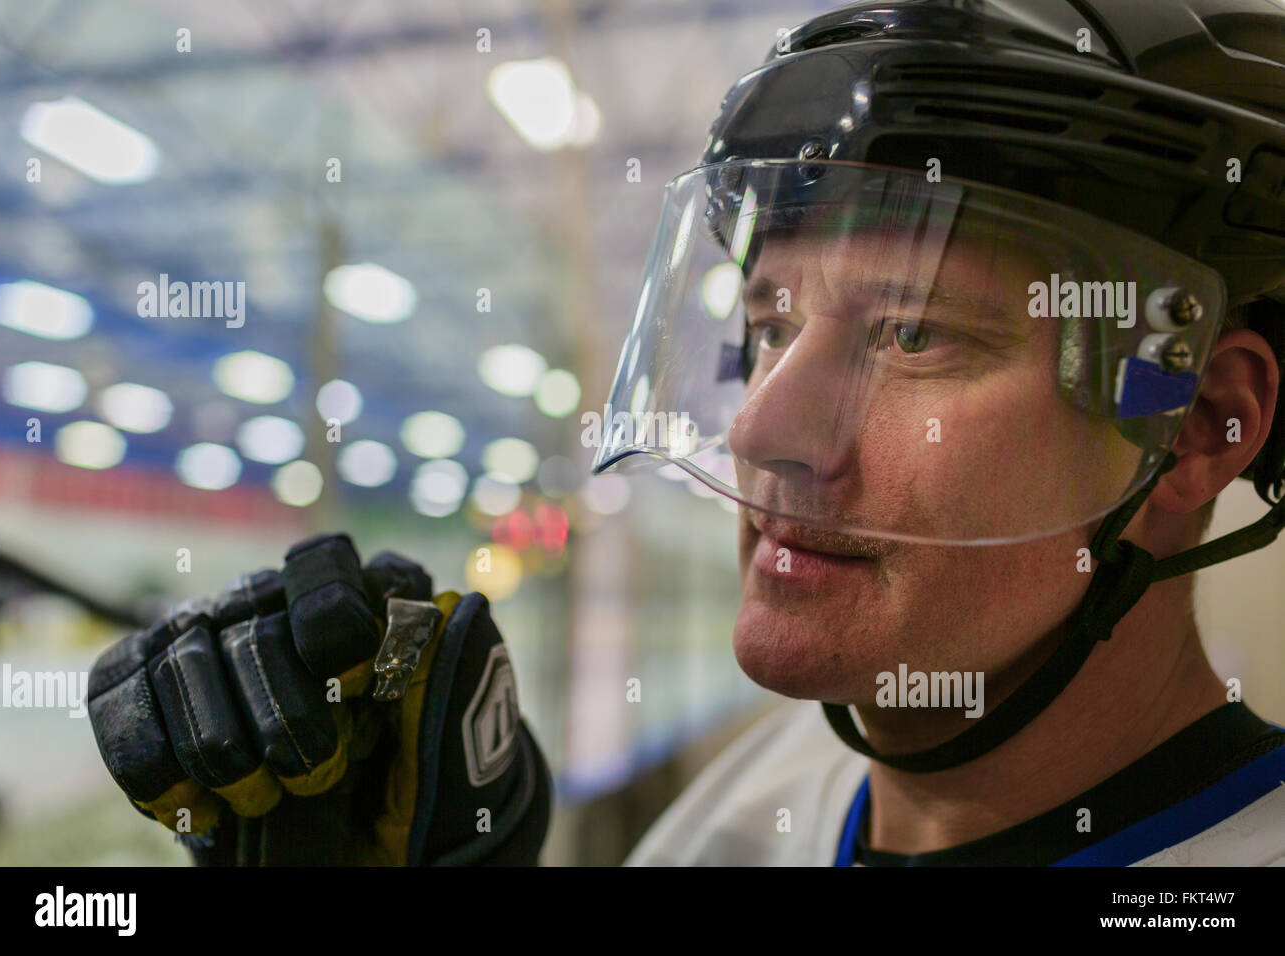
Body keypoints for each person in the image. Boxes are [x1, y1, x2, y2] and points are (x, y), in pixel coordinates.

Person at [90, 0, 1285, 866]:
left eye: (914, 333)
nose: (763, 425)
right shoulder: (763, 801)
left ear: (1199, 425)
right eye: (768, 326)